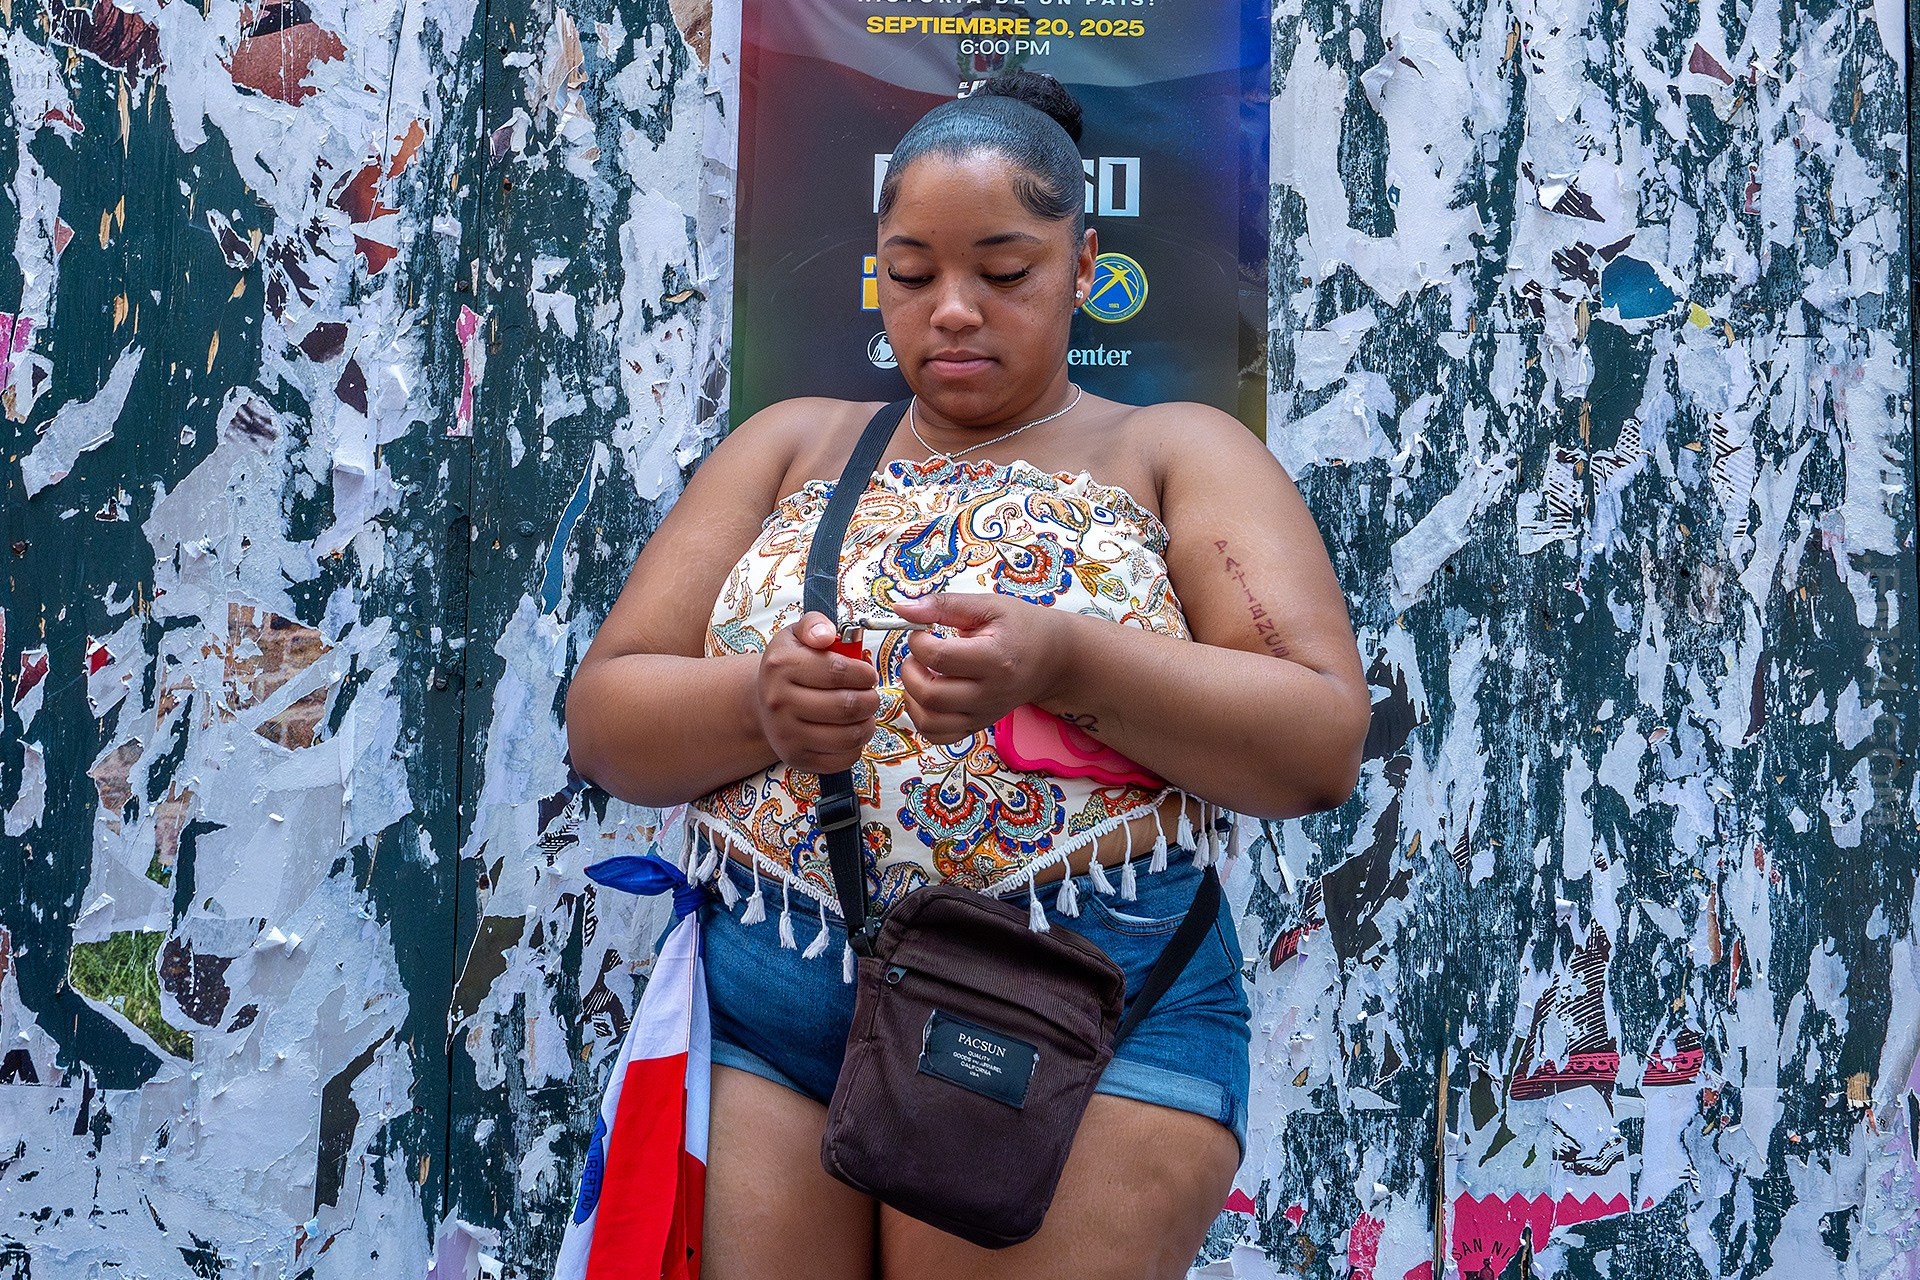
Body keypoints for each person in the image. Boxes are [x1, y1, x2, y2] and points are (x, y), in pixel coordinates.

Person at [567, 70, 1369, 1280]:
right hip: (773, 1000)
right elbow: (607, 718)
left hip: (1067, 998)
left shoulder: (1176, 452)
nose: (952, 309)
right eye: (910, 272)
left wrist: (1070, 657)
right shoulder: (789, 443)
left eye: (1005, 273)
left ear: (1085, 262)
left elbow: (1318, 742)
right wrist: (757, 704)